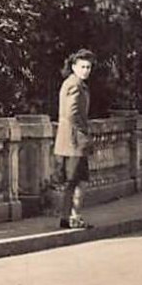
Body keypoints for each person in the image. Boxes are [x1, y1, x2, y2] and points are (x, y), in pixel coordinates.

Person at [54, 48, 96, 229]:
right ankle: (74, 216)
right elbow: (72, 114)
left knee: (72, 181)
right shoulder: (75, 85)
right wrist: (84, 134)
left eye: (88, 67)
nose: (86, 70)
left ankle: (66, 217)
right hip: (74, 141)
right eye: (83, 67)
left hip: (68, 141)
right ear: (73, 67)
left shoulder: (72, 83)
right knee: (80, 181)